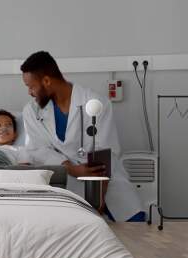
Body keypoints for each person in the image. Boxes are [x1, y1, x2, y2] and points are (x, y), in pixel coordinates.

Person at [20, 51, 144, 221]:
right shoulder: (32, 111)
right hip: (70, 191)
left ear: (47, 81)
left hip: (109, 186)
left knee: (136, 235)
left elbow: (104, 151)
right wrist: (72, 169)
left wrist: (98, 197)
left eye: (31, 86)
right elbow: (38, 150)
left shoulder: (94, 102)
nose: (30, 92)